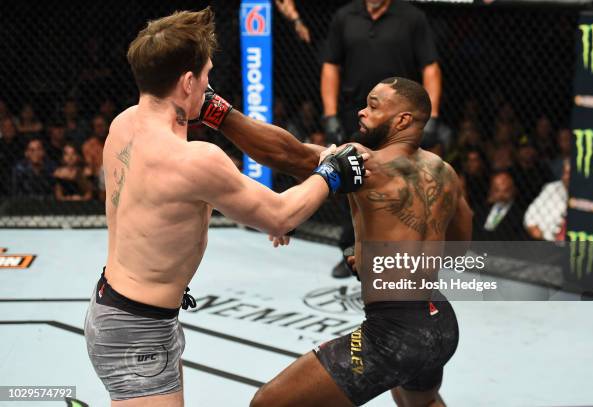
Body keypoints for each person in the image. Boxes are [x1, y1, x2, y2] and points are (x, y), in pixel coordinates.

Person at [83, 8, 366, 406]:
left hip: (123, 309)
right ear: (186, 82)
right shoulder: (195, 160)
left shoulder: (122, 125)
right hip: (136, 330)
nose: (209, 85)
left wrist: (259, 206)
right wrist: (332, 172)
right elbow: (282, 213)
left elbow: (167, 205)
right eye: (206, 76)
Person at [196, 78, 471, 406]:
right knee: (420, 400)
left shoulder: (363, 160)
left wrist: (216, 111)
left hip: (394, 335)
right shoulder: (445, 173)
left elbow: (289, 154)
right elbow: (457, 247)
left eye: (374, 105)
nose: (362, 112)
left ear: (402, 120)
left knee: (267, 403)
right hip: (438, 322)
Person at [321, 0, 443, 277]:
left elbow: (430, 67)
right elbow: (331, 65)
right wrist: (329, 115)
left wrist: (432, 116)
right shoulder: (345, 15)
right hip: (358, 115)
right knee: (351, 182)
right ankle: (351, 252)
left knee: (402, 186)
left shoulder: (412, 17)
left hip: (400, 122)